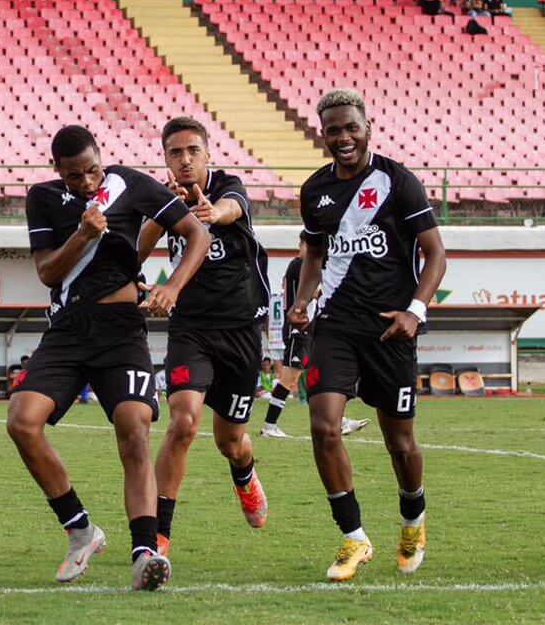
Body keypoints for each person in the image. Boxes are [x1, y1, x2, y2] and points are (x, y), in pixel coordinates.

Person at [6, 124, 209, 591]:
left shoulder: (132, 184)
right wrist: (81, 234)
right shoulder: (42, 198)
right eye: (75, 176)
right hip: (67, 330)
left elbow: (196, 233)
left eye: (93, 169)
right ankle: (81, 530)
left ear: (103, 157)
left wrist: (172, 287)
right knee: (21, 420)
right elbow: (46, 273)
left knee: (134, 427)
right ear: (57, 171)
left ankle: (144, 554)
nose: (88, 182)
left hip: (121, 331)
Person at [289, 89, 447, 582]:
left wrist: (414, 312)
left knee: (400, 443)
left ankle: (412, 523)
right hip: (335, 325)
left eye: (350, 127)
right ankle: (353, 537)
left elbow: (435, 254)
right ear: (323, 134)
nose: (343, 137)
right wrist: (303, 296)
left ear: (367, 126)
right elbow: (314, 253)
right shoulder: (314, 191)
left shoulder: (398, 181)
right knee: (323, 426)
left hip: (390, 330)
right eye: (333, 130)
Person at [136, 116, 272, 558]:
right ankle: (158, 536)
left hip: (240, 330)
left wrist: (213, 212)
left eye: (193, 150)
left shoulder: (230, 186)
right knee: (182, 422)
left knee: (229, 441)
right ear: (166, 159)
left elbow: (233, 207)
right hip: (190, 328)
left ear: (208, 153)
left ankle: (245, 475)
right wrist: (164, 214)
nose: (186, 159)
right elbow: (138, 248)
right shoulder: (162, 197)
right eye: (176, 152)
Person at [262, 238, 371, 440]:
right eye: (310, 246)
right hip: (298, 329)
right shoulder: (298, 264)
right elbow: (312, 293)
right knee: (289, 379)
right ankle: (269, 426)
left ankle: (338, 419)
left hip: (306, 329)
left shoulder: (302, 266)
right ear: (301, 245)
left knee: (321, 376)